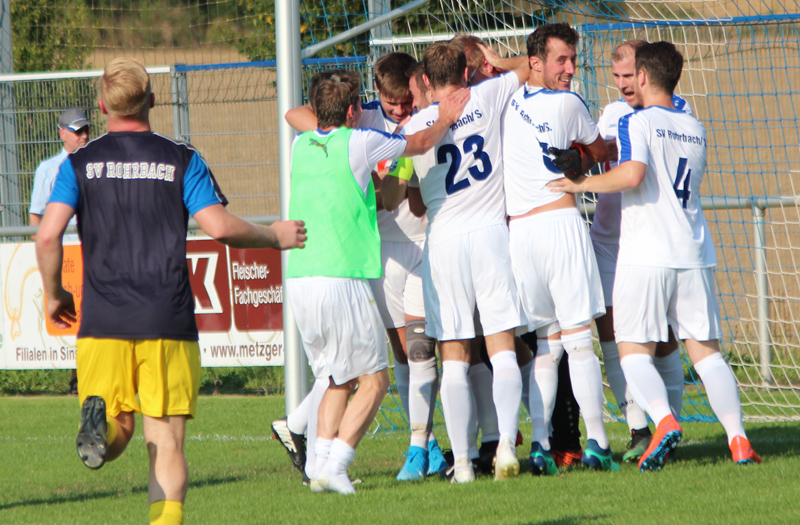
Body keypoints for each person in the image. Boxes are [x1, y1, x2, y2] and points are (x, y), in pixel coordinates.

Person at [35, 57, 307, 525]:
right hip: (167, 317)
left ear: (101, 107)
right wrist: (274, 236)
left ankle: (99, 431)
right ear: (153, 102)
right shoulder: (180, 158)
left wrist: (54, 293)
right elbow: (218, 227)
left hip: (102, 321)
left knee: (118, 424)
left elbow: (46, 235)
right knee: (165, 440)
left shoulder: (79, 163)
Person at [548, 41, 761, 470]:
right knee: (707, 353)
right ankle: (739, 441)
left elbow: (632, 174)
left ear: (643, 77)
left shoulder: (636, 122)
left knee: (631, 353)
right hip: (695, 252)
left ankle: (663, 421)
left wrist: (581, 185)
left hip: (646, 255)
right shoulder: (695, 126)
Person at [286, 69, 469, 494]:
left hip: (299, 277)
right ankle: (339, 460)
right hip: (341, 274)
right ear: (354, 111)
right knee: (374, 378)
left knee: (334, 376)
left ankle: (320, 468)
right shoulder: (360, 141)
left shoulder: (300, 146)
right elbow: (419, 142)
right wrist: (443, 117)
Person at [382, 41, 529, 483]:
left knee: (455, 356)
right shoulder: (488, 94)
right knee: (501, 344)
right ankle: (504, 445)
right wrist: (495, 62)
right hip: (489, 235)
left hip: (443, 242)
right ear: (467, 73)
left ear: (424, 81)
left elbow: (395, 191)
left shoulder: (416, 125)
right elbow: (530, 66)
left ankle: (462, 464)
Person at [492, 22, 617, 475]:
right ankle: (599, 444)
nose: (570, 69)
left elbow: (500, 69)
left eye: (573, 59)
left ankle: (541, 446)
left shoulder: (501, 98)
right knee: (580, 342)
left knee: (547, 345)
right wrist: (585, 156)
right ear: (536, 62)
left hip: (519, 234)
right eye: (561, 60)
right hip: (559, 224)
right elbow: (601, 147)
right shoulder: (568, 102)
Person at [591, 39, 692, 463]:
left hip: (650, 244)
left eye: (629, 76)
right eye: (615, 77)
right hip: (607, 241)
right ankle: (637, 428)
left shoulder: (675, 111)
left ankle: (670, 422)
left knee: (663, 337)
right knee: (612, 335)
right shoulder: (612, 113)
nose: (622, 85)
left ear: (647, 72)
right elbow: (599, 154)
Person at [30, 108, 91, 395]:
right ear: (61, 133)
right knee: (70, 315)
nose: (84, 136)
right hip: (63, 252)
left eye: (86, 129)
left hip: (91, 249)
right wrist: (42, 251)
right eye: (77, 131)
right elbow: (36, 216)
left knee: (92, 314)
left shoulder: (97, 162)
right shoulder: (48, 169)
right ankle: (76, 378)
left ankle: (90, 375)